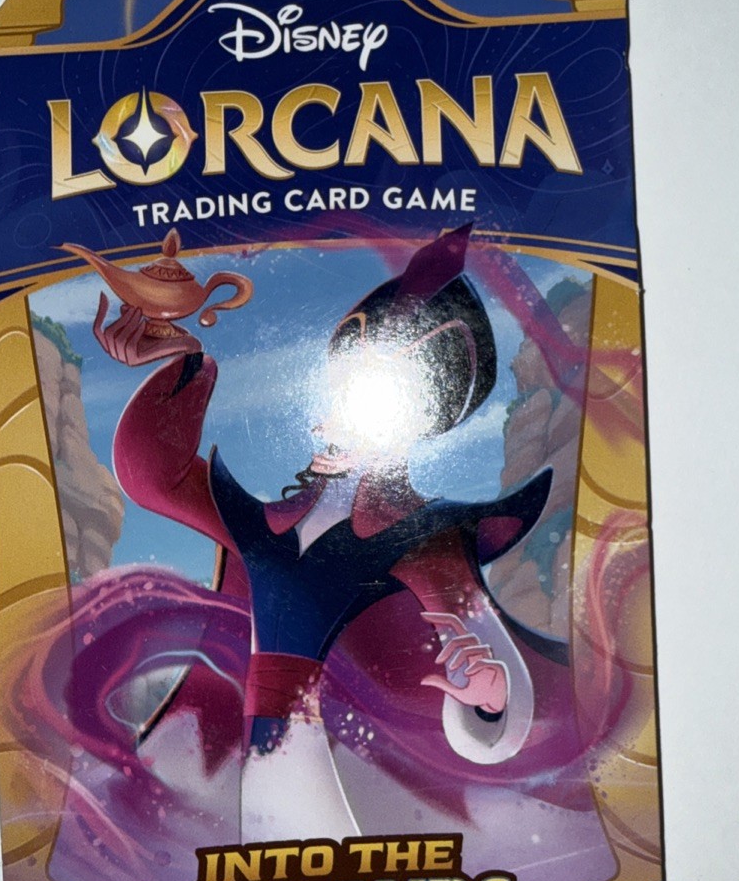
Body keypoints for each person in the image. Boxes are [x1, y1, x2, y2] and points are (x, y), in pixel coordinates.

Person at [94, 224, 565, 841]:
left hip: (344, 768)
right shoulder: (264, 527)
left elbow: (485, 653)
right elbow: (154, 474)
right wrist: (185, 360)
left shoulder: (422, 535)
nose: (331, 416)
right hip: (257, 764)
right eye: (337, 393)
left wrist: (488, 699)